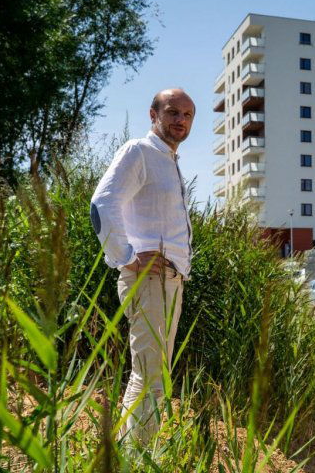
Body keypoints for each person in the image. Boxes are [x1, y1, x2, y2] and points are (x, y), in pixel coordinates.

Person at [89, 88, 195, 444]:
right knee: (149, 375)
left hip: (168, 281)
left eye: (187, 115)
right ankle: (134, 456)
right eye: (172, 112)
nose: (180, 120)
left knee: (153, 374)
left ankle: (132, 452)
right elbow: (102, 204)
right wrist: (128, 255)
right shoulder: (140, 151)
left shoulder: (168, 160)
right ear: (154, 115)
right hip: (147, 279)